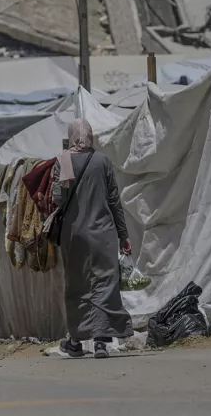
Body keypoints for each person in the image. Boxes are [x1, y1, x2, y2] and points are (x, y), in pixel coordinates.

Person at [52, 119, 133, 359]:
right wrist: (124, 235)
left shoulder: (62, 161)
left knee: (77, 285)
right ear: (90, 135)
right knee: (105, 285)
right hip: (104, 234)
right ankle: (100, 342)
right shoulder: (102, 161)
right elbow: (115, 202)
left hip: (73, 234)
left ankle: (76, 341)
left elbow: (57, 198)